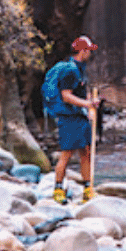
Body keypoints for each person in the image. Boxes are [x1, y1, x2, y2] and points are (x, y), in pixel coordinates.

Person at [42, 35, 98, 203]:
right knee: (66, 154)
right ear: (82, 51)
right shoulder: (70, 70)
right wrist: (88, 104)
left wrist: (89, 104)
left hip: (79, 116)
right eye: (88, 50)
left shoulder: (80, 69)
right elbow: (66, 96)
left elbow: (81, 90)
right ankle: (58, 190)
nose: (90, 54)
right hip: (69, 117)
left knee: (86, 152)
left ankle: (88, 189)